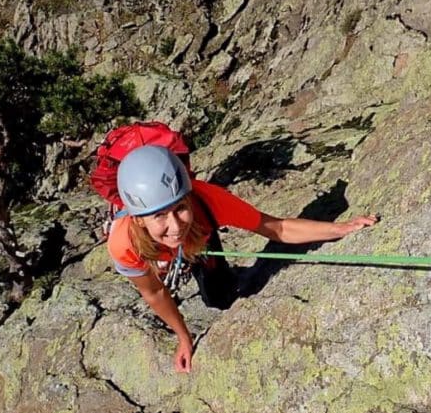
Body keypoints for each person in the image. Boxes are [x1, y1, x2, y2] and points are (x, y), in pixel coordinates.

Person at [107, 145, 379, 373]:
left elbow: (277, 228)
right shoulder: (124, 245)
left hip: (201, 236)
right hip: (171, 248)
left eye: (180, 209)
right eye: (159, 216)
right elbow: (154, 292)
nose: (175, 225)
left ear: (189, 198)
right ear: (139, 220)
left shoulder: (207, 201)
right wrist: (184, 337)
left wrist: (340, 229)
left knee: (219, 297)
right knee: (210, 293)